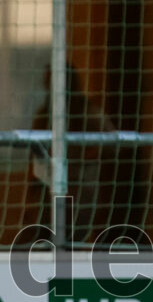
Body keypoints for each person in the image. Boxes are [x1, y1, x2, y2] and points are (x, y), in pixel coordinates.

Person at [27, 62, 116, 244]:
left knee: (73, 240)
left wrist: (83, 157)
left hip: (82, 190)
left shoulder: (88, 112)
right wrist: (31, 190)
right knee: (45, 240)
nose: (49, 85)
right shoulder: (44, 114)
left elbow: (112, 143)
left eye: (53, 80)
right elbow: (35, 155)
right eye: (48, 81)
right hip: (49, 190)